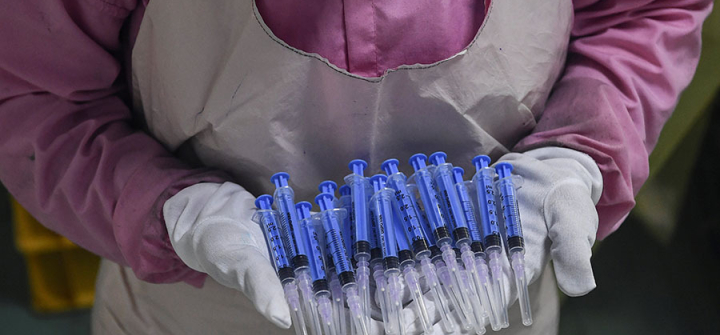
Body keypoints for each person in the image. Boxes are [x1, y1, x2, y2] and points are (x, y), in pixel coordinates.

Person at [0, 0, 712, 334]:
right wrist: (166, 208)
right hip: (199, 310)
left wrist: (582, 148)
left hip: (485, 296)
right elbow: (32, 91)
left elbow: (641, 15)